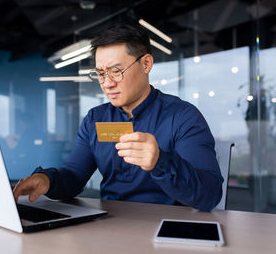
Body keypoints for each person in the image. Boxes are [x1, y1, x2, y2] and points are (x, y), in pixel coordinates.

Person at [13, 24, 223, 212]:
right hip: (109, 224)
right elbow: (74, 177)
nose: (107, 83)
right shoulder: (96, 119)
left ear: (146, 64)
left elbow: (209, 197)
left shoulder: (182, 117)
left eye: (116, 71)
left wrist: (160, 162)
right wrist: (47, 180)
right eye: (101, 73)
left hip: (166, 228)